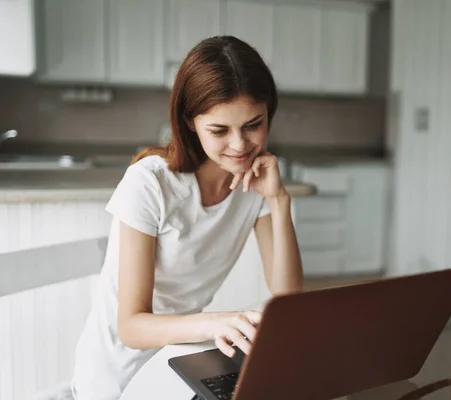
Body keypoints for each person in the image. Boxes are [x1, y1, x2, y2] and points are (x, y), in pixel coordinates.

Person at [71, 36, 304, 400]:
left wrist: (279, 200)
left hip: (179, 362)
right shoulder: (150, 183)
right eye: (220, 130)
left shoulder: (254, 186)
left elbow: (288, 296)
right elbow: (132, 326)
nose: (240, 145)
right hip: (115, 376)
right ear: (190, 122)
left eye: (253, 124)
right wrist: (219, 323)